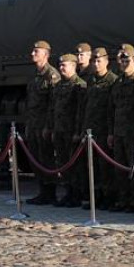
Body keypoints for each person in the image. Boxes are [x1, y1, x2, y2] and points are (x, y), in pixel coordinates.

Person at [108, 44, 134, 213]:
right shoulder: (117, 82)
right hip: (118, 132)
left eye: (128, 60)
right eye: (122, 61)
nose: (124, 63)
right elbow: (112, 109)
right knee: (120, 168)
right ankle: (123, 199)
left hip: (132, 132)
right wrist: (111, 132)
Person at [81, 47, 118, 209]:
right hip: (91, 131)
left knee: (106, 166)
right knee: (92, 166)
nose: (96, 64)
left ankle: (109, 197)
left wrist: (111, 131)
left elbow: (112, 109)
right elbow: (86, 107)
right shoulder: (90, 80)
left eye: (99, 61)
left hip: (104, 129)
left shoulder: (112, 81)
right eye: (94, 61)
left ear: (106, 61)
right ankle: (96, 196)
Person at [25, 41, 61, 205]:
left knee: (46, 158)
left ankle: (50, 192)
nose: (32, 54)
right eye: (33, 51)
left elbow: (53, 104)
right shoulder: (35, 75)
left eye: (36, 51)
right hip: (33, 124)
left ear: (45, 54)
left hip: (44, 125)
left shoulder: (51, 75)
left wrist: (49, 126)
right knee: (36, 159)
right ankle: (42, 191)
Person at [50, 54, 87, 207]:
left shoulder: (79, 85)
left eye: (64, 65)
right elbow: (53, 109)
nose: (61, 68)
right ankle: (68, 192)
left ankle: (77, 195)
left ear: (74, 66)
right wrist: (52, 128)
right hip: (60, 130)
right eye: (60, 65)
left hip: (72, 131)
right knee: (63, 163)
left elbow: (80, 111)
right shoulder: (58, 85)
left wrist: (78, 132)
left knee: (75, 164)